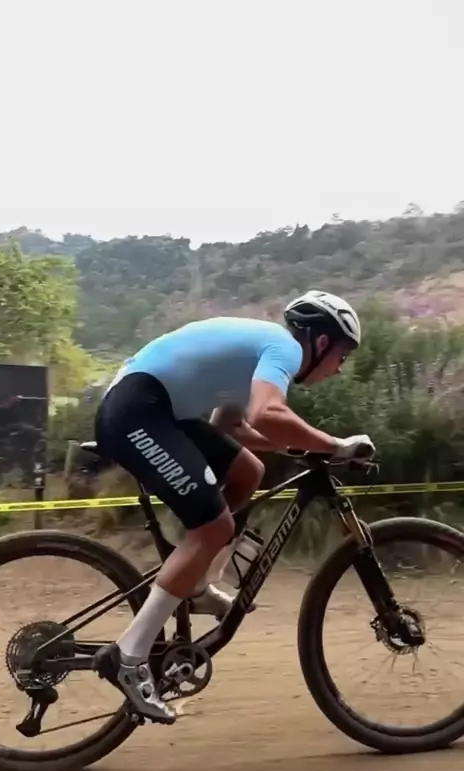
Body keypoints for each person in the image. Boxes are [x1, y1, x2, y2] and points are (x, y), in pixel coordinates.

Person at [92, 290, 375, 724]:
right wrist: (336, 445)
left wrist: (302, 448)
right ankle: (128, 658)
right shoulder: (284, 348)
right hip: (137, 411)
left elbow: (232, 426)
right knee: (213, 528)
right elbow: (268, 414)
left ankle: (196, 583)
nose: (340, 367)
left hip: (157, 411)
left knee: (247, 472)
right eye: (342, 354)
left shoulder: (257, 356)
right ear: (320, 342)